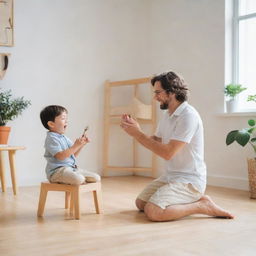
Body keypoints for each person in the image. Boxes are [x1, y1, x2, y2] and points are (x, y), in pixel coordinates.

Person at [120, 71, 234, 221]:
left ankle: (202, 205)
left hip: (190, 181)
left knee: (153, 211)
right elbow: (157, 141)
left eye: (158, 92)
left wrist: (139, 134)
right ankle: (185, 201)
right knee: (141, 203)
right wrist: (135, 131)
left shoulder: (188, 116)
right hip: (171, 176)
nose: (155, 97)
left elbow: (168, 153)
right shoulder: (168, 115)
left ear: (172, 91)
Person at [40, 105, 100, 185]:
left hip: (71, 169)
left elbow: (73, 154)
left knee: (96, 178)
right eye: (63, 118)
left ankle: (77, 179)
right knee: (79, 179)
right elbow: (60, 156)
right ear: (51, 124)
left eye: (66, 119)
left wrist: (81, 145)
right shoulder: (51, 138)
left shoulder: (64, 137)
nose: (66, 121)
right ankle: (77, 179)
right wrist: (75, 146)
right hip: (57, 172)